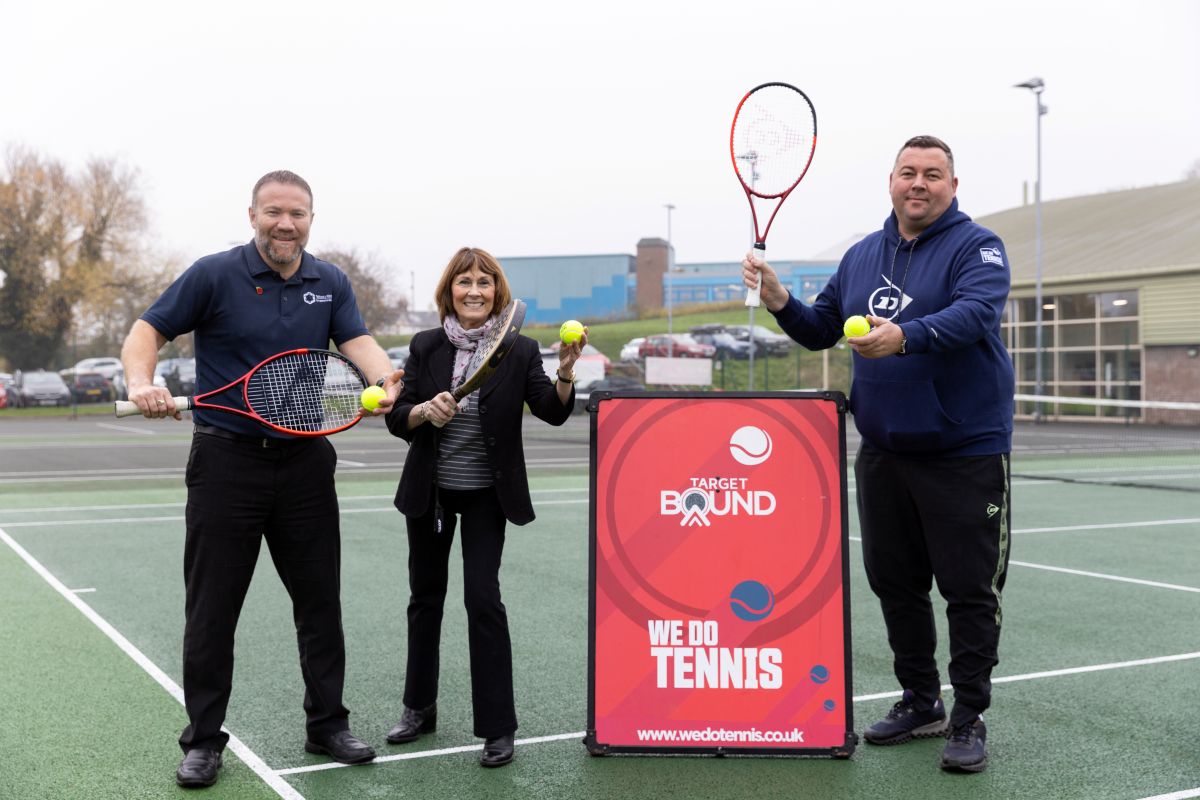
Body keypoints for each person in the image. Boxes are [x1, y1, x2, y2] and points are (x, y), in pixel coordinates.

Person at [120, 170, 403, 788]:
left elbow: (359, 343)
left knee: (320, 604)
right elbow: (147, 331)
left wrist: (385, 381)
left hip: (305, 464)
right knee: (212, 611)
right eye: (274, 212)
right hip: (225, 464)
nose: (285, 224)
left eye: (297, 214)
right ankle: (203, 741)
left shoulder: (329, 282)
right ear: (252, 215)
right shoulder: (213, 274)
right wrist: (141, 382)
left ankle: (327, 725)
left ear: (310, 220)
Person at [742, 136, 1013, 773]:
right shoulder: (863, 254)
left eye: (933, 175)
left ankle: (969, 717)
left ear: (953, 186)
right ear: (891, 181)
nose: (919, 184)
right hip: (884, 451)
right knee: (894, 584)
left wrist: (906, 337)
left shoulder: (979, 247)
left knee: (969, 591)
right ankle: (921, 701)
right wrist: (780, 299)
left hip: (964, 452)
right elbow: (820, 329)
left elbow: (975, 313)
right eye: (908, 172)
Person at [383, 247, 581, 768]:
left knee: (483, 601)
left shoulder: (520, 349)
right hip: (431, 493)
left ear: (498, 293)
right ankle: (418, 708)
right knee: (425, 599)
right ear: (449, 291)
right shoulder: (426, 345)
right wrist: (424, 411)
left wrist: (564, 373)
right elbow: (398, 418)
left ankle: (497, 727)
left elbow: (552, 411)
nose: (474, 291)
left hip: (487, 496)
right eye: (464, 282)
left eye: (484, 282)